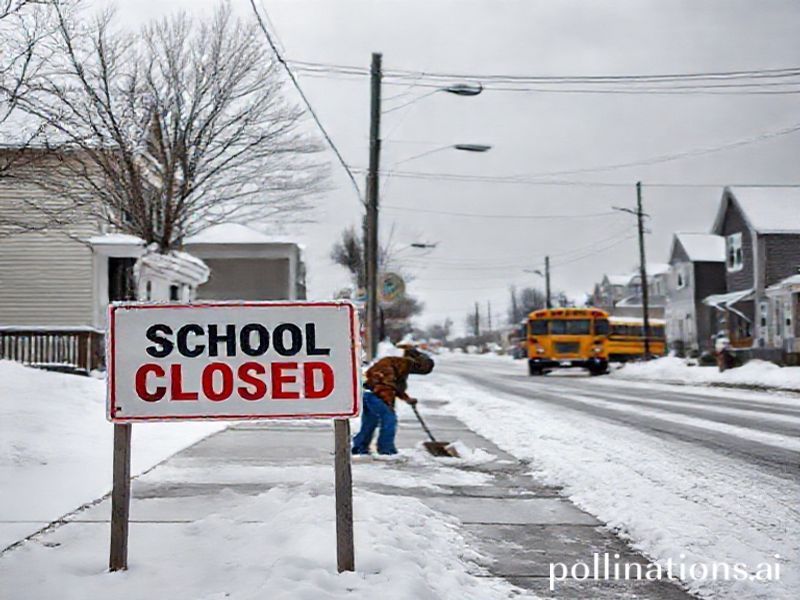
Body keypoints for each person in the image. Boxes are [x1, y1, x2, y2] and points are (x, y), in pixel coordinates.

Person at [352, 347, 435, 455]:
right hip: (374, 395)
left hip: (369, 394)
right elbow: (386, 386)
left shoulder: (399, 367)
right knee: (389, 420)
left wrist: (407, 399)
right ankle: (386, 449)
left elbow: (396, 387)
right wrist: (388, 404)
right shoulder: (393, 365)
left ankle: (359, 447)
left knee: (370, 422)